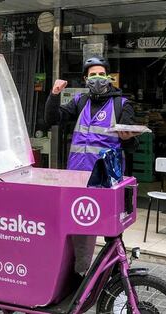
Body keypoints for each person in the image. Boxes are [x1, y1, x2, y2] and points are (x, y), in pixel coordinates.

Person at [44, 56, 138, 275]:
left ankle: (116, 275)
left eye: (101, 74)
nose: (97, 78)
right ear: (86, 79)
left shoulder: (122, 104)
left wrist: (127, 138)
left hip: (107, 178)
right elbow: (52, 119)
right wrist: (54, 95)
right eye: (93, 75)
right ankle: (80, 273)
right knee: (80, 223)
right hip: (78, 177)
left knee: (111, 228)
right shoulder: (80, 102)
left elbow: (132, 142)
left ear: (109, 77)